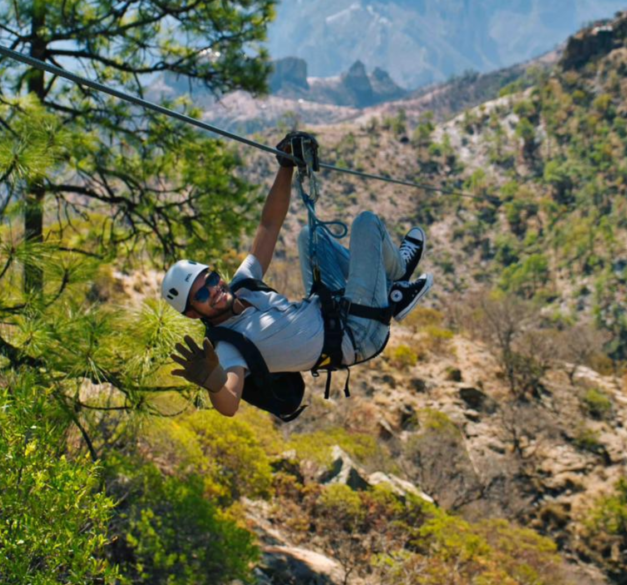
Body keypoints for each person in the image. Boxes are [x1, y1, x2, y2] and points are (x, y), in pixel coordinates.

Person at [163, 132, 432, 418]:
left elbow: (269, 225)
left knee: (309, 237)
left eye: (211, 278)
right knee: (367, 224)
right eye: (203, 293)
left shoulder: (243, 285)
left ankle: (389, 290)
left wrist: (286, 165)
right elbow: (229, 403)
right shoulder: (229, 345)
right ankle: (397, 277)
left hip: (335, 308)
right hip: (358, 333)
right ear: (193, 313)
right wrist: (214, 382)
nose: (214, 288)